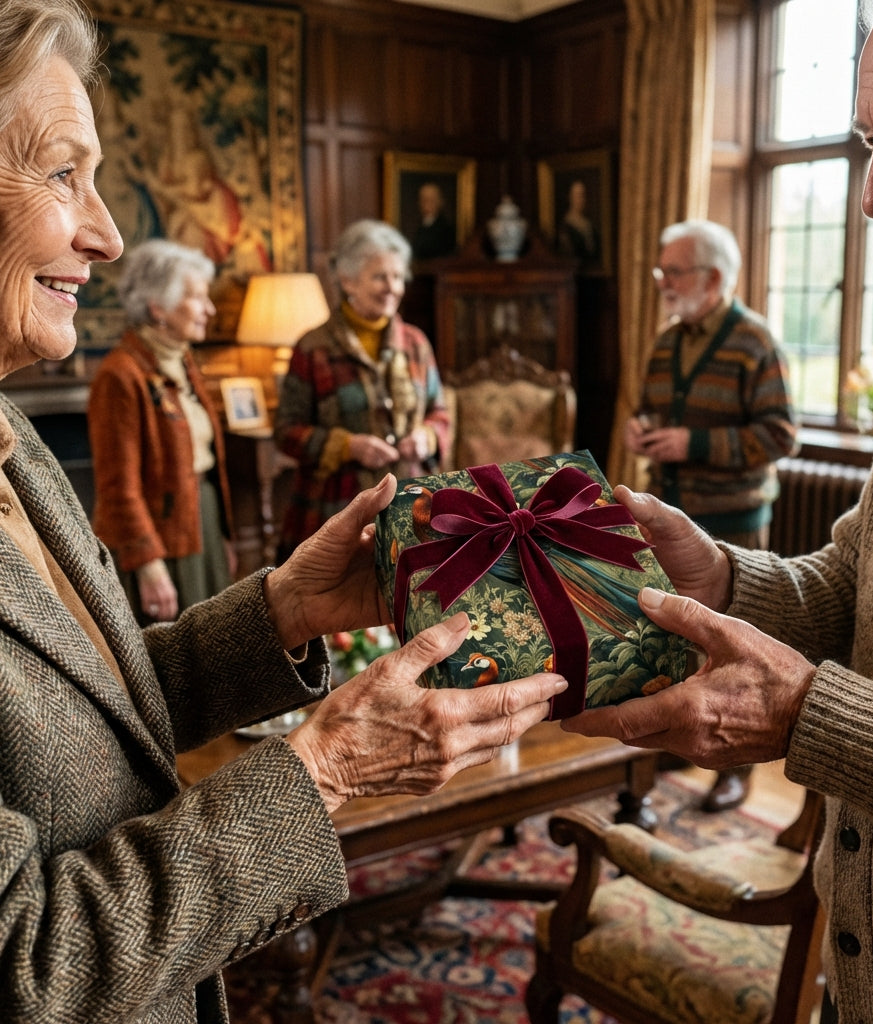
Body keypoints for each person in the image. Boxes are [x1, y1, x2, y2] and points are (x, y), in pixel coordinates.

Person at [0, 3, 567, 1021]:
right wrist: (323, 769)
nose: (108, 231)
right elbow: (27, 967)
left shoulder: (12, 437)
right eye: (60, 172)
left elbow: (92, 723)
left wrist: (280, 612)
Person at [565, 0, 873, 1018]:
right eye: (869, 141)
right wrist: (723, 576)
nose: (871, 194)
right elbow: (860, 586)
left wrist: (814, 717)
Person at [624, 218, 798, 812]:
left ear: (714, 277)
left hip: (733, 520)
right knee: (666, 636)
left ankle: (738, 769)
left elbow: (779, 436)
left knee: (731, 646)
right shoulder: (666, 339)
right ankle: (678, 738)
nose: (662, 282)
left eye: (672, 272)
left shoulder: (756, 342)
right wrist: (642, 431)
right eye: (662, 271)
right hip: (670, 514)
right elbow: (648, 408)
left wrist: (692, 445)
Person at [275, 218, 450, 558]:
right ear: (347, 280)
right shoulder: (313, 347)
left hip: (411, 507)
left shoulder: (415, 343)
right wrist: (347, 446)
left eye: (398, 277)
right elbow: (285, 432)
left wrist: (426, 437)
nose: (393, 287)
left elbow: (440, 413)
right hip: (335, 510)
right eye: (380, 276)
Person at [88, 238, 236, 624]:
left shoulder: (182, 362)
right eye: (197, 298)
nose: (210, 309)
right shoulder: (120, 375)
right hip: (161, 537)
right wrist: (149, 565)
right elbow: (117, 487)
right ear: (159, 307)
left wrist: (220, 534)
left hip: (200, 516)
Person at [557, 179, 601, 269]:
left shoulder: (589, 224)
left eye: (583, 195)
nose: (581, 200)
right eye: (577, 195)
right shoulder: (565, 225)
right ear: (570, 197)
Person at [410, 181, 457, 261]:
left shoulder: (446, 228)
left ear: (440, 202)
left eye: (431, 200)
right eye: (424, 200)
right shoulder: (420, 226)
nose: (427, 204)